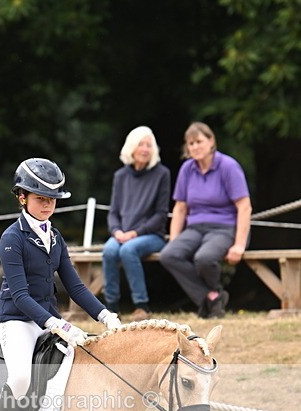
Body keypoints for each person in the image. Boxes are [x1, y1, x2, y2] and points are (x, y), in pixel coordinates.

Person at [0, 157, 122, 411]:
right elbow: (20, 293)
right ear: (22, 198)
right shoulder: (11, 239)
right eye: (40, 198)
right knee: (19, 377)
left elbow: (74, 287)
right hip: (15, 319)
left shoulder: (55, 238)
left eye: (52, 199)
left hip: (45, 319)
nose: (47, 205)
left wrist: (105, 316)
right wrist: (59, 324)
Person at [159, 121, 252, 318]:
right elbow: (180, 207)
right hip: (195, 228)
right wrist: (175, 238)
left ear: (211, 141)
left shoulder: (228, 166)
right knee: (169, 255)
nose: (195, 147)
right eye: (190, 144)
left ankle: (211, 300)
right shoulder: (187, 169)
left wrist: (239, 244)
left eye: (199, 141)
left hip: (224, 227)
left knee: (204, 258)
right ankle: (212, 296)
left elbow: (244, 207)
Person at [101, 126, 170, 322]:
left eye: (149, 145)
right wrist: (116, 231)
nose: (145, 149)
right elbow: (113, 212)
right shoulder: (120, 176)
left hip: (152, 235)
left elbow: (161, 214)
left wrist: (134, 233)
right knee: (109, 250)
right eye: (141, 144)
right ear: (131, 147)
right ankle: (111, 308)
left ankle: (142, 306)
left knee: (127, 250)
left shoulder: (162, 174)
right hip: (122, 235)